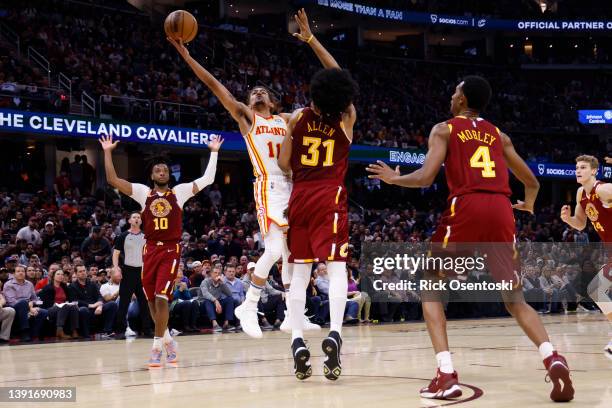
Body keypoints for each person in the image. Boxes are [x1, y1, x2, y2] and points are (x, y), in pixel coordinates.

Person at [367, 76, 573, 402]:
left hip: (468, 206)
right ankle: (552, 356)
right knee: (515, 300)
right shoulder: (499, 135)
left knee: (429, 283)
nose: (451, 96)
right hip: (501, 210)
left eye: (454, 92)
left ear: (462, 99)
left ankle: (446, 374)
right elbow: (532, 182)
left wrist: (393, 178)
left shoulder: (445, 129)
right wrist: (529, 205)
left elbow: (425, 177)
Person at [168, 8, 328, 339]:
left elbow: (319, 106)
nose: (255, 94)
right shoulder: (247, 119)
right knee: (272, 251)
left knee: (292, 256)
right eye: (251, 92)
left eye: (261, 92)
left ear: (271, 99)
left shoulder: (286, 119)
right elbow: (213, 85)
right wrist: (187, 55)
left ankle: (291, 316)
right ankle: (248, 304)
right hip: (268, 186)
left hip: (293, 187)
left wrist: (311, 39)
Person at [100, 133, 222, 367]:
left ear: (170, 174)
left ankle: (156, 348)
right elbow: (113, 179)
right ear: (152, 175)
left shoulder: (180, 192)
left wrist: (214, 152)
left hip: (170, 250)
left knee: (161, 299)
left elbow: (208, 178)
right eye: (158, 170)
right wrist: (107, 151)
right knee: (152, 303)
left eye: (165, 170)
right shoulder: (143, 193)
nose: (162, 172)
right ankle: (168, 341)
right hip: (149, 251)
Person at [277, 32, 358, 379]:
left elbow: (283, 165)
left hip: (300, 196)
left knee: (300, 273)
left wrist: (289, 132)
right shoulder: (346, 119)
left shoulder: (298, 119)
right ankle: (335, 333)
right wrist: (312, 40)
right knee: (337, 266)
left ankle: (296, 338)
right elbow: (340, 77)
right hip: (330, 195)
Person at [560, 155, 612, 360]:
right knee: (598, 290)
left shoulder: (603, 189)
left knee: (598, 288)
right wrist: (568, 219)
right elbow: (581, 224)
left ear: (594, 171)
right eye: (576, 167)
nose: (578, 170)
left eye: (583, 167)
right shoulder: (581, 192)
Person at [111, 212, 151, 340]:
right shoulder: (123, 236)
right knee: (124, 302)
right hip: (128, 272)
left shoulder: (146, 236)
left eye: (138, 217)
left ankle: (147, 329)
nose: (137, 219)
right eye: (134, 217)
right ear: (129, 221)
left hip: (143, 272)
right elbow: (116, 254)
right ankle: (120, 331)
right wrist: (116, 269)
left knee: (145, 302)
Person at [3, 265, 48, 342]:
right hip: (14, 308)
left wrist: (33, 305)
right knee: (23, 303)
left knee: (44, 312)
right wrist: (29, 307)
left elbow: (35, 298)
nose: (21, 273)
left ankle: (33, 334)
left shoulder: (29, 284)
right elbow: (11, 301)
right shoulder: (8, 284)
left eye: (22, 271)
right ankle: (24, 332)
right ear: (14, 274)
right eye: (18, 271)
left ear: (25, 273)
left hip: (28, 306)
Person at [38, 268, 79, 340]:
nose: (61, 276)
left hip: (63, 307)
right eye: (58, 274)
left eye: (62, 274)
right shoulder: (48, 288)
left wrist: (70, 303)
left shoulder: (64, 286)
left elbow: (69, 299)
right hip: (50, 309)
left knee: (73, 307)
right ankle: (59, 330)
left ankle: (74, 330)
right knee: (64, 306)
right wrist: (55, 304)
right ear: (53, 276)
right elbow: (44, 303)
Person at [199, 264, 235, 332]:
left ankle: (226, 323)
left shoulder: (221, 283)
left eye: (219, 273)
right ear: (211, 274)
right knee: (208, 301)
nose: (217, 274)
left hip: (217, 303)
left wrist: (223, 283)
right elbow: (205, 294)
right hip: (204, 304)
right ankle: (215, 324)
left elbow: (230, 294)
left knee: (230, 299)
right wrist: (215, 300)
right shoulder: (205, 282)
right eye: (215, 273)